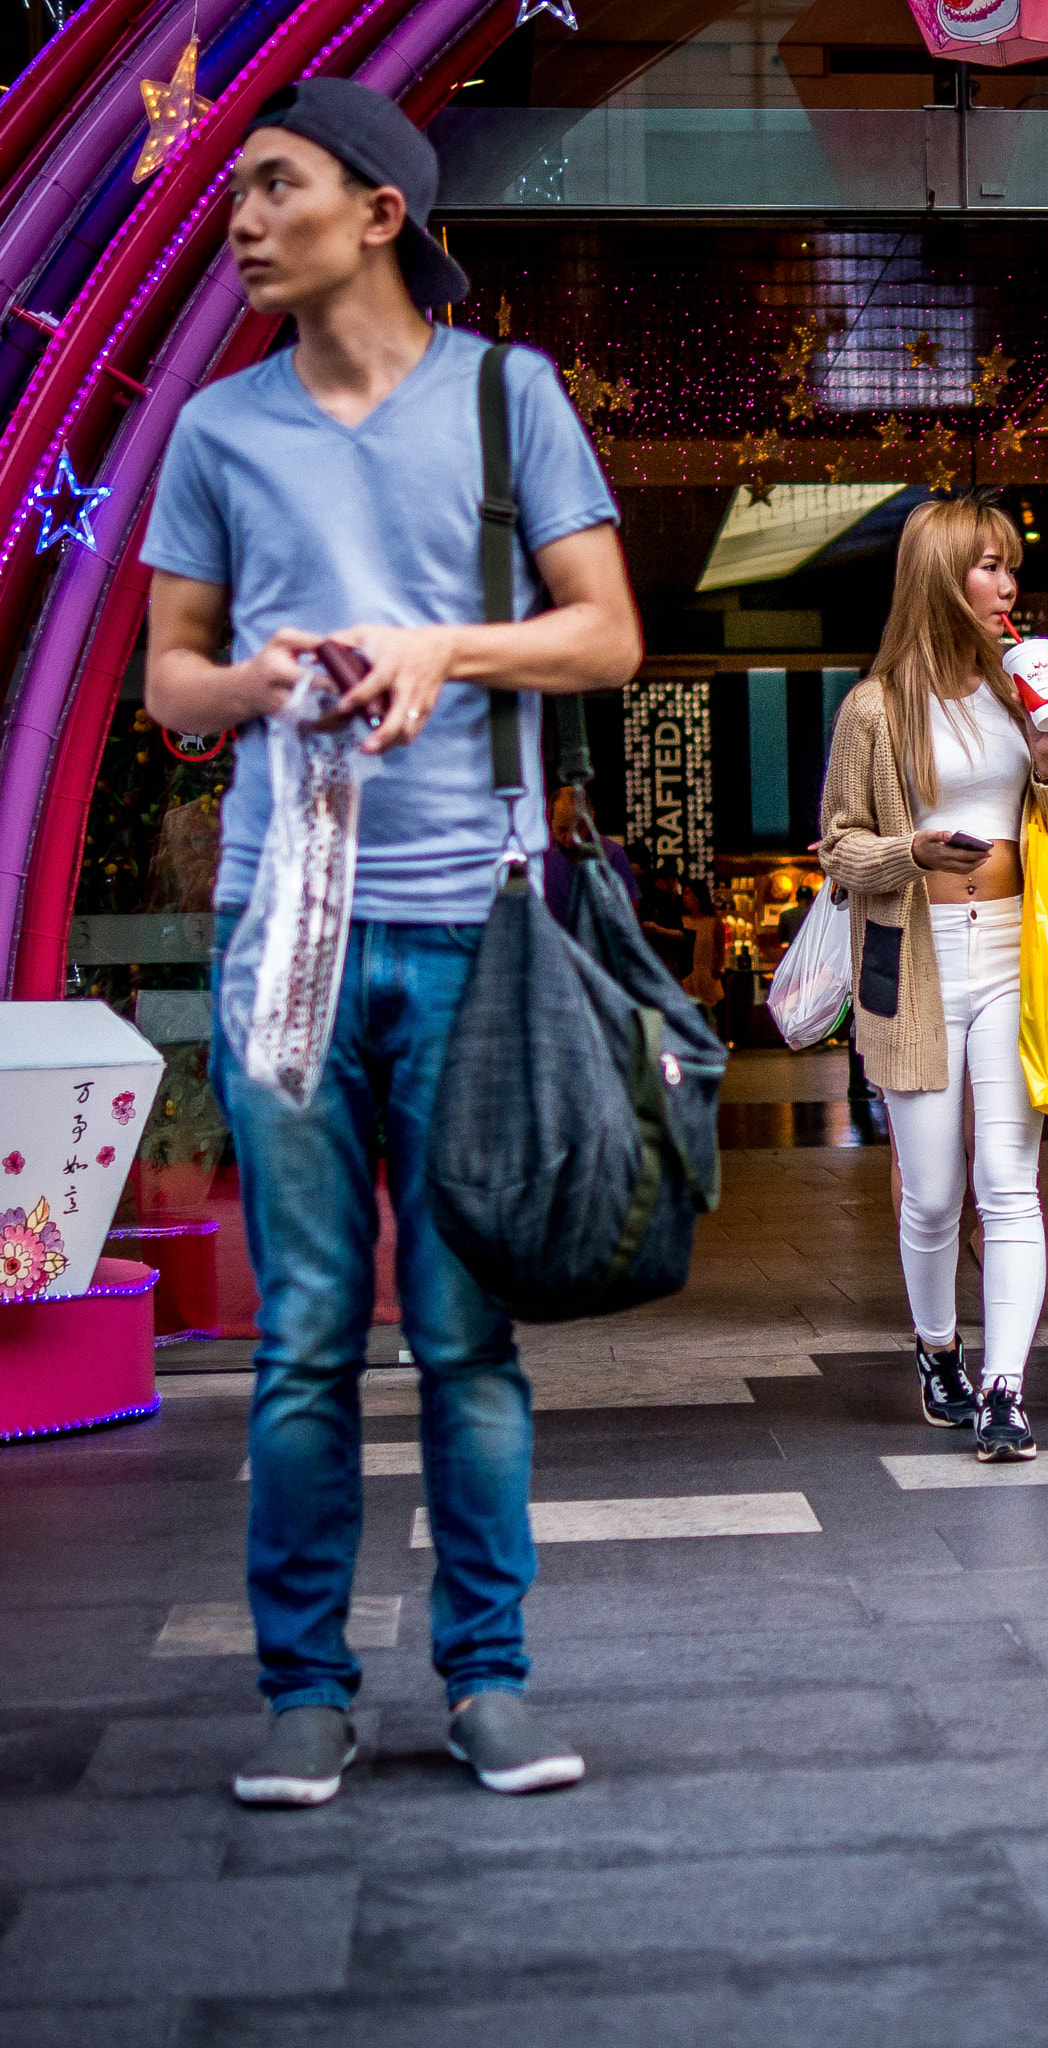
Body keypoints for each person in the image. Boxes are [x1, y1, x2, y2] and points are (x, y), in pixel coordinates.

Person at [140, 78, 642, 1805]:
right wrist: (262, 679)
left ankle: (488, 1677)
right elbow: (168, 678)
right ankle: (303, 1689)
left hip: (469, 930)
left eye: (273, 183)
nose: (240, 214)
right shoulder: (215, 431)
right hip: (282, 927)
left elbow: (604, 635)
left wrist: (444, 650)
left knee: (462, 1331)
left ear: (376, 211)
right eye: (235, 190)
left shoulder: (510, 400)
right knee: (296, 1335)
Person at [820, 498, 1048, 1462]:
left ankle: (1006, 1389)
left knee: (1009, 1184)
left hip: (1017, 949)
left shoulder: (1021, 693)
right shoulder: (874, 707)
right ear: (937, 575)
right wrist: (911, 851)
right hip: (918, 964)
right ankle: (938, 1351)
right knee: (930, 1195)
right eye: (984, 566)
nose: (1005, 585)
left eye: (1010, 566)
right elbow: (838, 846)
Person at [541, 782, 639, 928]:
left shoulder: (613, 854)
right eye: (562, 829)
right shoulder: (541, 853)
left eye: (579, 828)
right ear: (550, 822)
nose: (570, 839)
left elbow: (631, 906)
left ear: (591, 817)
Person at [681, 879, 727, 1016]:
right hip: (686, 977)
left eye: (688, 893)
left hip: (706, 976)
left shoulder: (713, 923)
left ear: (697, 896)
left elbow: (721, 950)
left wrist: (717, 969)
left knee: (708, 1015)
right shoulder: (683, 920)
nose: (685, 897)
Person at [778, 882, 815, 947]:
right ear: (811, 899)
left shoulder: (785, 915)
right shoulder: (817, 915)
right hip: (812, 950)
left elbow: (783, 939)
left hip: (794, 951)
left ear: (797, 899)